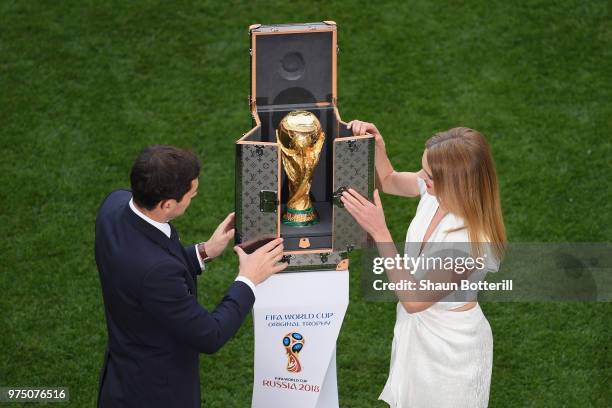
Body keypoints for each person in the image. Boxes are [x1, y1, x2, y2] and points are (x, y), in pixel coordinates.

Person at [94, 145, 287, 408]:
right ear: (167, 204)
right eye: (191, 195)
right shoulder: (156, 273)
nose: (193, 197)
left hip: (122, 374)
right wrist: (248, 279)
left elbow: (142, 269)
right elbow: (211, 334)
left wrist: (205, 251)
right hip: (155, 393)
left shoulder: (114, 205)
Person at [341, 121, 505, 408]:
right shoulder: (437, 193)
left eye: (428, 176)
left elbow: (414, 300)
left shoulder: (471, 239)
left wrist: (380, 232)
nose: (422, 180)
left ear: (456, 181)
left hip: (451, 352)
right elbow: (389, 180)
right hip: (418, 334)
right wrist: (377, 148)